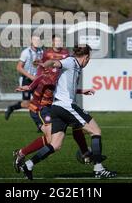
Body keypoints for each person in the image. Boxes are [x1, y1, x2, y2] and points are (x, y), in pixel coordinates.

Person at [20, 45, 117, 180]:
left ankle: (28, 165)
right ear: (87, 57)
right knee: (96, 131)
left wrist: (81, 91)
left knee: (55, 145)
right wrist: (45, 63)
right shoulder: (70, 61)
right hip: (66, 106)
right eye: (89, 58)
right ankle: (98, 168)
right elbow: (55, 63)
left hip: (57, 107)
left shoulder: (75, 65)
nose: (88, 61)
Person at [12, 35, 96, 173]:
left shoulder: (62, 74)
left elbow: (67, 88)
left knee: (72, 127)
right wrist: (29, 87)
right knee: (52, 140)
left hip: (52, 108)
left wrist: (81, 91)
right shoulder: (49, 74)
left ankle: (85, 152)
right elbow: (41, 78)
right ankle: (21, 154)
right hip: (39, 109)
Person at [5, 35, 43, 120]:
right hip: (27, 80)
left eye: (38, 40)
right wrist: (31, 76)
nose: (37, 42)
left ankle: (40, 124)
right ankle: (11, 108)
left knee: (39, 102)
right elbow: (19, 67)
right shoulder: (26, 52)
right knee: (26, 103)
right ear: (31, 41)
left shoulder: (41, 52)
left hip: (37, 80)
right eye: (35, 40)